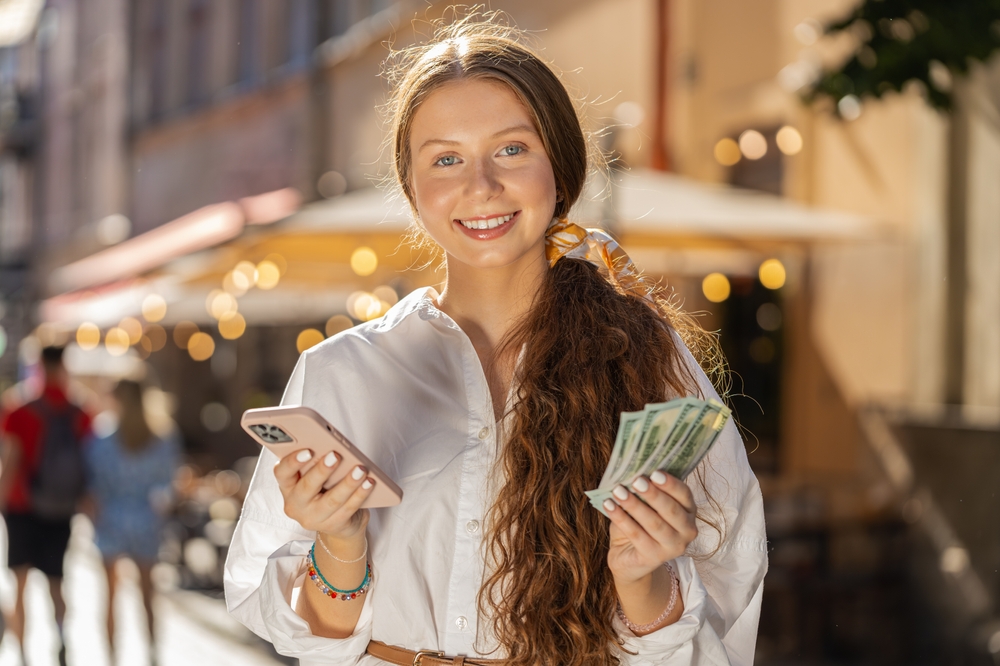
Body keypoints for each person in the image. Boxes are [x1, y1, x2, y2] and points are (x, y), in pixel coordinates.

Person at [225, 14, 767, 666]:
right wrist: (339, 544)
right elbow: (307, 635)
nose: (480, 187)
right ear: (412, 188)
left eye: (511, 150)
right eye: (446, 159)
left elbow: (730, 597)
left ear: (560, 168)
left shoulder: (650, 362)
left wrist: (643, 582)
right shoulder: (340, 372)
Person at [0, 346, 91, 666]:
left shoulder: (19, 409)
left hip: (21, 506)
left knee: (20, 584)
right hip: (60, 507)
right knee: (56, 582)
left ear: (39, 366)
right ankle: (61, 637)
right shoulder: (79, 411)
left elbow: (10, 461)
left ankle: (23, 654)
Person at [84, 379, 180, 665]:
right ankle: (152, 652)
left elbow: (93, 485)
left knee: (109, 594)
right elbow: (168, 484)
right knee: (147, 592)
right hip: (146, 520)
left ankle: (111, 656)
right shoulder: (162, 437)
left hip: (111, 519)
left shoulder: (101, 439)